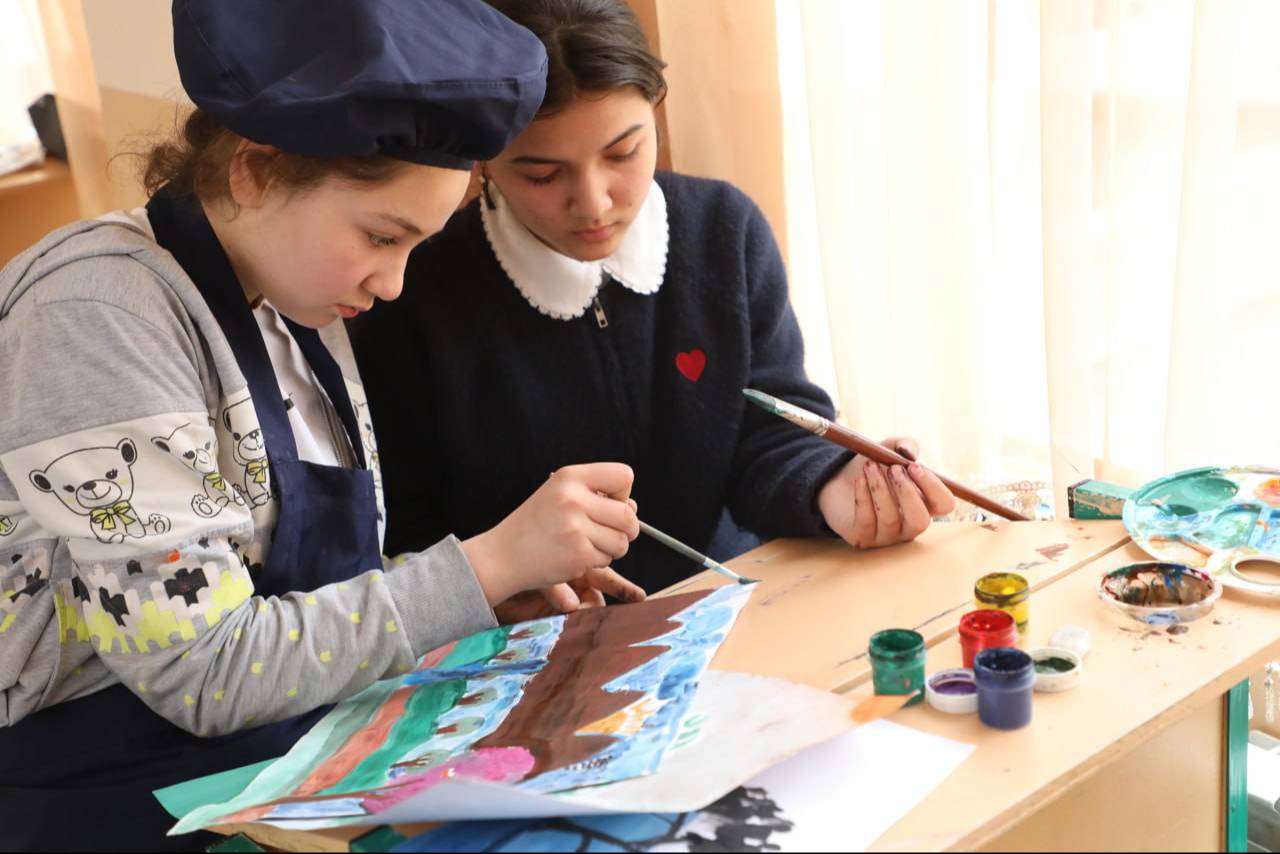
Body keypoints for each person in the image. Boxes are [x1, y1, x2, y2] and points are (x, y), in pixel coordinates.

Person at [0, 1, 643, 849]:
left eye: (415, 246)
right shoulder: (94, 317)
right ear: (257, 170)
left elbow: (287, 593)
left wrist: (478, 597)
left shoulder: (293, 309)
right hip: (116, 808)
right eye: (382, 236)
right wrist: (484, 563)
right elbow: (202, 668)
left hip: (281, 778)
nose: (394, 284)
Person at [350, 0, 958, 601]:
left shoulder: (724, 230)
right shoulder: (410, 289)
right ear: (484, 160)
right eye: (542, 175)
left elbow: (772, 430)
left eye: (622, 154)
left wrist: (837, 486)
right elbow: (405, 528)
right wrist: (503, 591)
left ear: (656, 110)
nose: (593, 203)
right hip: (540, 638)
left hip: (728, 601)